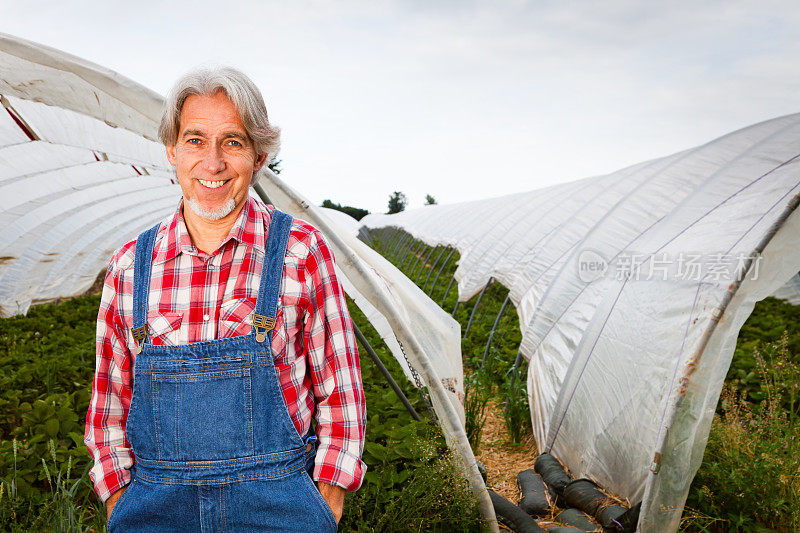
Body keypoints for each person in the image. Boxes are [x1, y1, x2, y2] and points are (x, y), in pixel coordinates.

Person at [84, 66, 366, 532]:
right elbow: (108, 401)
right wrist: (118, 499)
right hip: (157, 508)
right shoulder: (131, 266)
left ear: (259, 156)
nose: (211, 163)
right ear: (172, 150)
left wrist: (327, 498)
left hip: (277, 505)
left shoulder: (300, 251)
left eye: (232, 142)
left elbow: (341, 389)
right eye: (195, 140)